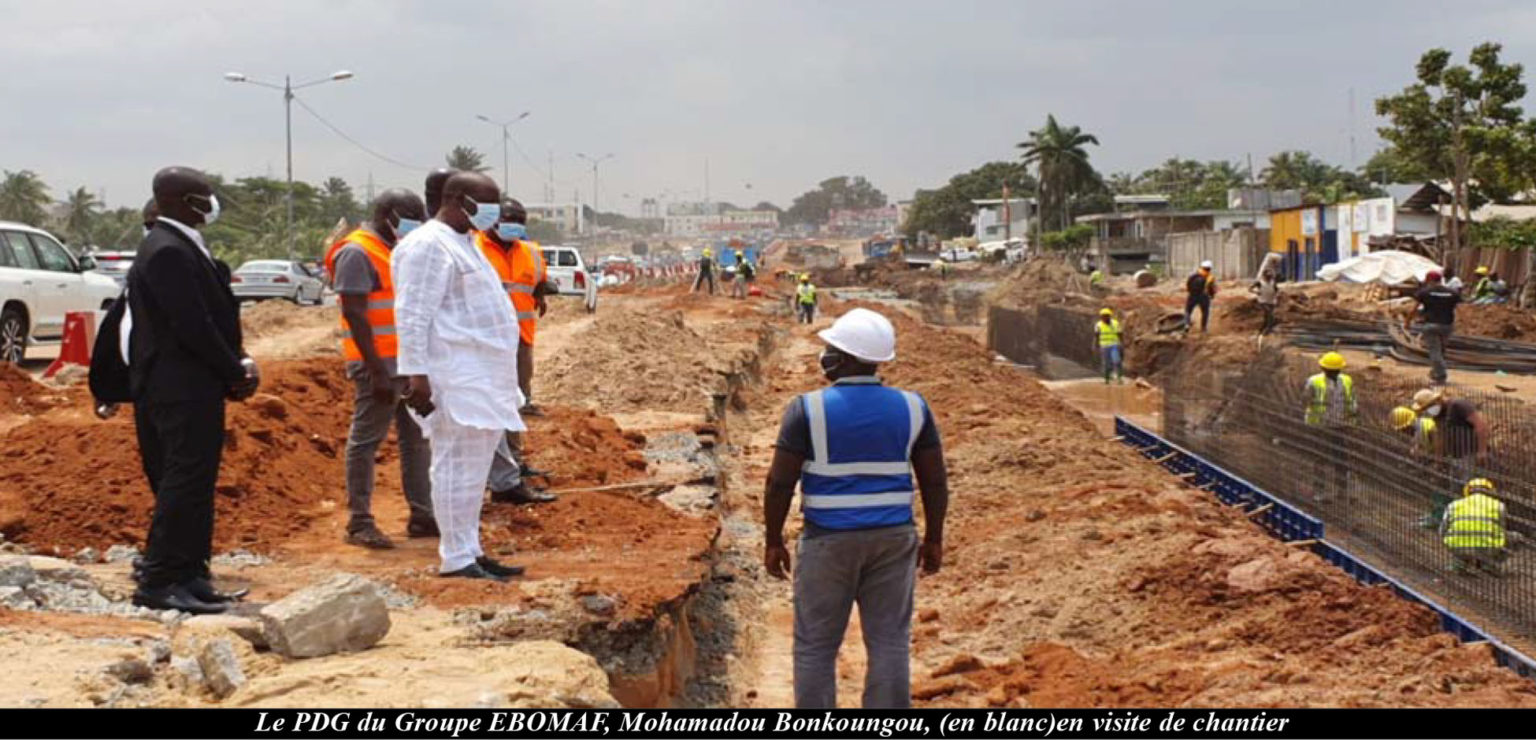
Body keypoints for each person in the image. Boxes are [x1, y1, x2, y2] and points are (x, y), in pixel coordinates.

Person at [762, 308, 948, 708]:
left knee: (815, 645)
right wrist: (933, 538)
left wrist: (773, 539)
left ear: (844, 357)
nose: (825, 354)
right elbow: (934, 480)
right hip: (893, 539)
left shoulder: (807, 409)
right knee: (889, 644)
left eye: (831, 348)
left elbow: (779, 482)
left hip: (829, 540)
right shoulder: (914, 408)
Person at [127, 166, 258, 613]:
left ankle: (189, 575)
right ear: (186, 201)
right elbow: (192, 325)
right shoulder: (166, 250)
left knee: (197, 482)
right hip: (179, 387)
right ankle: (160, 581)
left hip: (192, 385)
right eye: (206, 196)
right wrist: (234, 369)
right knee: (182, 483)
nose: (213, 203)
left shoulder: (181, 245)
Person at [392, 171, 525, 581]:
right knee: (455, 467)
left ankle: (471, 549)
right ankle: (456, 558)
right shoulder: (428, 245)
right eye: (486, 203)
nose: (493, 212)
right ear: (458, 199)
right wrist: (415, 374)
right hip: (454, 376)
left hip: (481, 377)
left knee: (474, 470)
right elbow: (412, 314)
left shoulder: (464, 243)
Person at [324, 189, 437, 549]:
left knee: (416, 441)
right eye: (409, 217)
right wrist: (376, 371)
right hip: (378, 365)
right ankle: (359, 521)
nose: (414, 226)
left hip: (406, 363)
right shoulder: (357, 251)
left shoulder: (395, 250)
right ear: (387, 214)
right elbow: (355, 314)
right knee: (365, 442)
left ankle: (422, 513)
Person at [474, 199, 557, 506]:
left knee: (515, 403)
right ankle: (493, 475)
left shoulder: (531, 252)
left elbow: (536, 285)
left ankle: (513, 468)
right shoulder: (473, 248)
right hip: (485, 341)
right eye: (509, 218)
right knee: (488, 407)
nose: (514, 224)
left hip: (521, 339)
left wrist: (542, 293)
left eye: (520, 220)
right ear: (493, 220)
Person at [1411, 387, 1490, 527]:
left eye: (1429, 407)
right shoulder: (1438, 415)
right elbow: (1440, 437)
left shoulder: (1458, 405)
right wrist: (1439, 460)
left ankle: (1472, 522)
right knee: (1455, 489)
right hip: (1454, 456)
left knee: (1467, 488)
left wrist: (1482, 450)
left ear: (1437, 400)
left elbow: (1481, 426)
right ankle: (1456, 521)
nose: (1429, 411)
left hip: (1468, 454)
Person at [1303, 352, 1357, 502]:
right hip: (1319, 426)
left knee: (1341, 459)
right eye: (1331, 370)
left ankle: (1342, 491)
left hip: (1339, 425)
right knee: (1320, 459)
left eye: (1336, 370)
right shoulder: (1314, 381)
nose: (1334, 373)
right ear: (1323, 368)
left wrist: (1351, 420)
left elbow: (1352, 401)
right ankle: (1320, 492)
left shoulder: (1346, 381)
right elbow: (1306, 399)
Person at [1440, 478, 1507, 575]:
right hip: (1487, 548)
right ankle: (1489, 564)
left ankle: (1459, 563)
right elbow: (1502, 529)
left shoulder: (1454, 505)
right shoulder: (1499, 506)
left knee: (1453, 536)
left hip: (1458, 547)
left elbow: (1443, 529)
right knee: (1517, 537)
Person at [1405, 270, 1460, 385]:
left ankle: (1440, 376)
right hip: (1447, 325)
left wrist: (1407, 321)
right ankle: (1436, 372)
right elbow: (1458, 309)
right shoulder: (1452, 293)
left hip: (1431, 325)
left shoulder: (1425, 292)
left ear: (1429, 280)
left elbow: (1414, 308)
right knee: (1441, 350)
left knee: (1435, 351)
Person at [1184, 260, 1217, 333]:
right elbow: (1212, 289)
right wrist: (1212, 296)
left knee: (1187, 311)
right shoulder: (1210, 277)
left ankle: (1187, 324)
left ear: (1201, 267)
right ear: (1210, 268)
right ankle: (1203, 329)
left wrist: (1190, 292)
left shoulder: (1193, 275)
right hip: (1203, 296)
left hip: (1192, 295)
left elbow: (1188, 284)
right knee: (1205, 312)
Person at [1093, 307, 1123, 384]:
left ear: (1110, 316)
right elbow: (1096, 336)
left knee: (1116, 361)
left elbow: (1120, 334)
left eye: (1107, 316)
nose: (1105, 317)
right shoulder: (1098, 325)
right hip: (1104, 346)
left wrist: (1121, 343)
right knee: (1106, 363)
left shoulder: (1115, 323)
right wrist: (1095, 345)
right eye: (1104, 316)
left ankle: (1119, 378)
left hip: (1114, 345)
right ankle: (1107, 379)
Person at [1249, 264, 1281, 335]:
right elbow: (1250, 289)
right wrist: (1256, 292)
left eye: (1270, 276)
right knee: (1270, 314)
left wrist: (1277, 295)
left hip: (1271, 301)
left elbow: (1276, 289)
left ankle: (1263, 328)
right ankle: (1268, 329)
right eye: (1268, 276)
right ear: (1264, 276)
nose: (1269, 277)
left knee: (1267, 315)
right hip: (1263, 301)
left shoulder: (1273, 282)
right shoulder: (1259, 282)